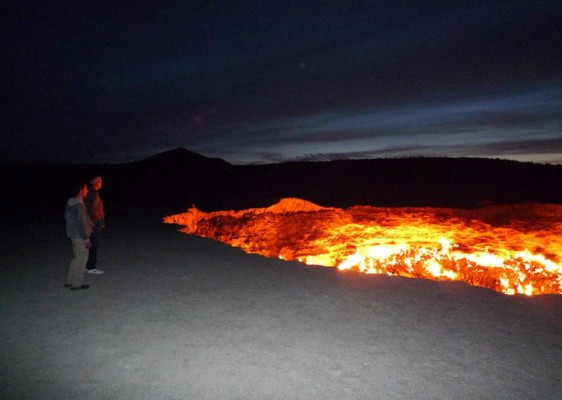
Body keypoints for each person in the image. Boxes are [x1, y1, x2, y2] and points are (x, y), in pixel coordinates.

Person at [64, 181, 93, 290]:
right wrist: (86, 238)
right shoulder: (79, 205)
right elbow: (81, 223)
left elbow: (73, 220)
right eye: (86, 189)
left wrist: (89, 222)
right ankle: (76, 284)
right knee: (81, 259)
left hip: (73, 235)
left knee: (76, 258)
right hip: (80, 236)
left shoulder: (70, 203)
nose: (87, 190)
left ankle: (69, 281)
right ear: (81, 190)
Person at [85, 175, 105, 274]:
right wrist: (99, 219)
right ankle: (91, 267)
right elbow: (92, 208)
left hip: (90, 221)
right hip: (95, 222)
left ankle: (87, 265)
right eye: (100, 182)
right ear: (97, 183)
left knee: (89, 244)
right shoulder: (94, 193)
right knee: (94, 244)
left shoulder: (89, 192)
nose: (101, 183)